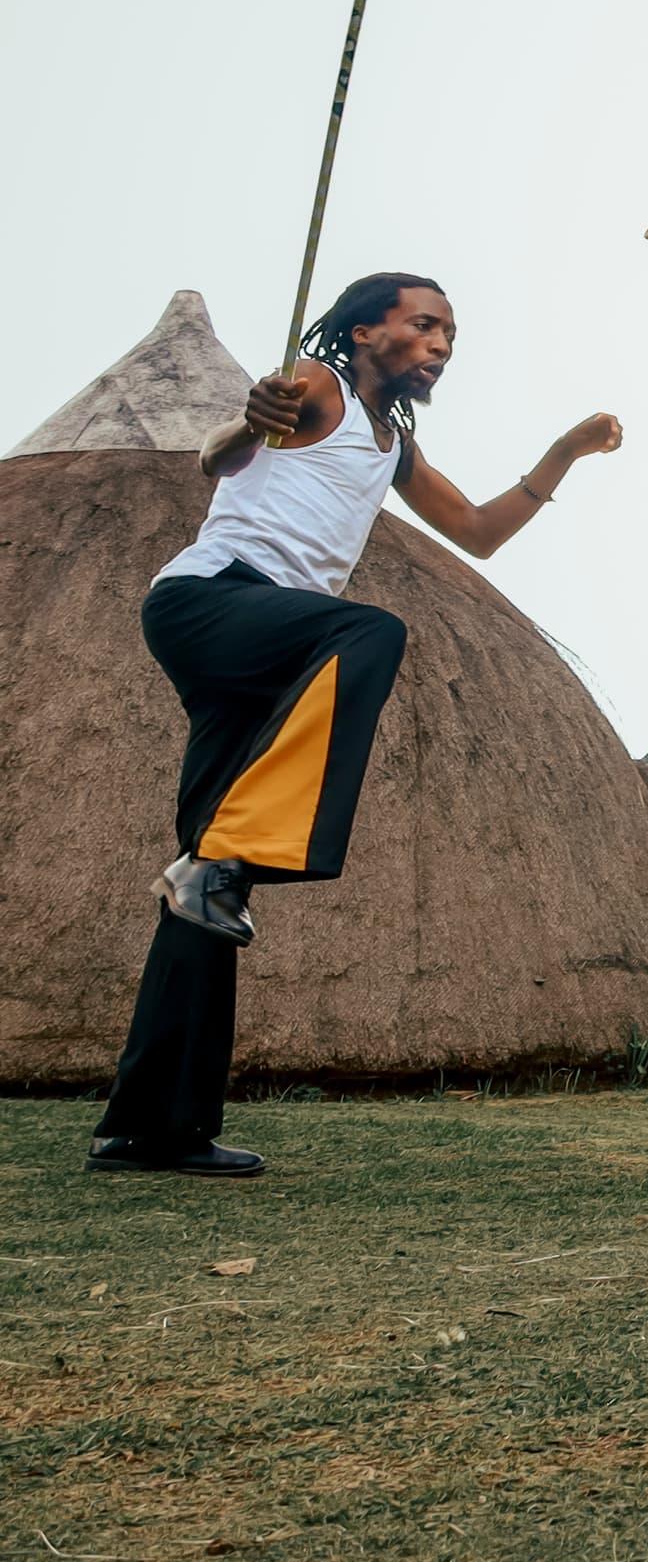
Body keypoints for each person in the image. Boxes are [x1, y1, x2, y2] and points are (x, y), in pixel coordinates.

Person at [95, 273, 620, 1177]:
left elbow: (480, 530)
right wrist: (247, 420)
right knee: (371, 629)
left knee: (208, 893)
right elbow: (218, 457)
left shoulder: (391, 444)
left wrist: (564, 451)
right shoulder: (314, 384)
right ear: (366, 328)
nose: (440, 344)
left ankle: (152, 1128)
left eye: (450, 333)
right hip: (214, 602)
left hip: (278, 649)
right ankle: (222, 861)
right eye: (424, 326)